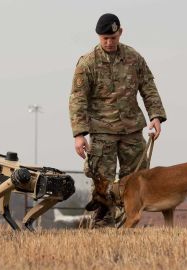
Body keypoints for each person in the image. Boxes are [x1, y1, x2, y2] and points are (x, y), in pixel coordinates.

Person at [68, 13, 167, 228]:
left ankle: (128, 220)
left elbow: (148, 87)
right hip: (102, 131)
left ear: (120, 32)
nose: (109, 42)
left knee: (136, 179)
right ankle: (104, 221)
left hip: (132, 129)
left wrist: (156, 116)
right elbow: (77, 99)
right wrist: (79, 134)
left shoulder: (134, 58)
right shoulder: (87, 63)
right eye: (104, 38)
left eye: (112, 37)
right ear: (98, 37)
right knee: (102, 180)